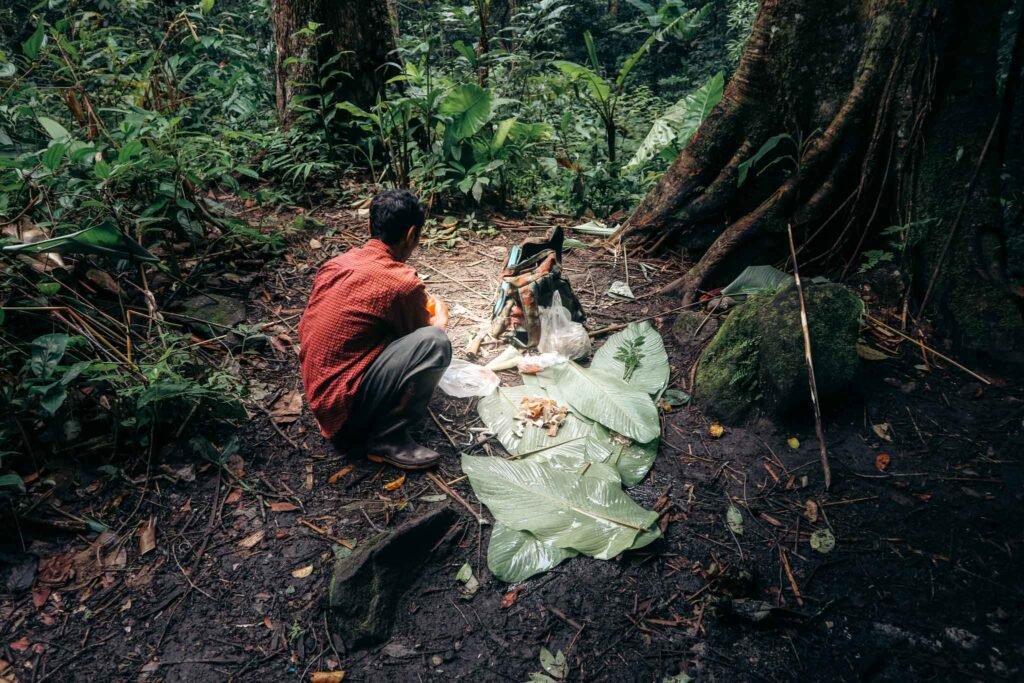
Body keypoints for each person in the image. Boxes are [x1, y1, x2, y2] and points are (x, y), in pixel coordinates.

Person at [298, 190, 451, 470]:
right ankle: (386, 437)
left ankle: (369, 421)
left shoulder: (336, 265)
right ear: (412, 235)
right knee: (436, 343)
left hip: (321, 397)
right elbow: (419, 337)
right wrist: (439, 320)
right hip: (343, 413)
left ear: (370, 227)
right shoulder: (401, 283)